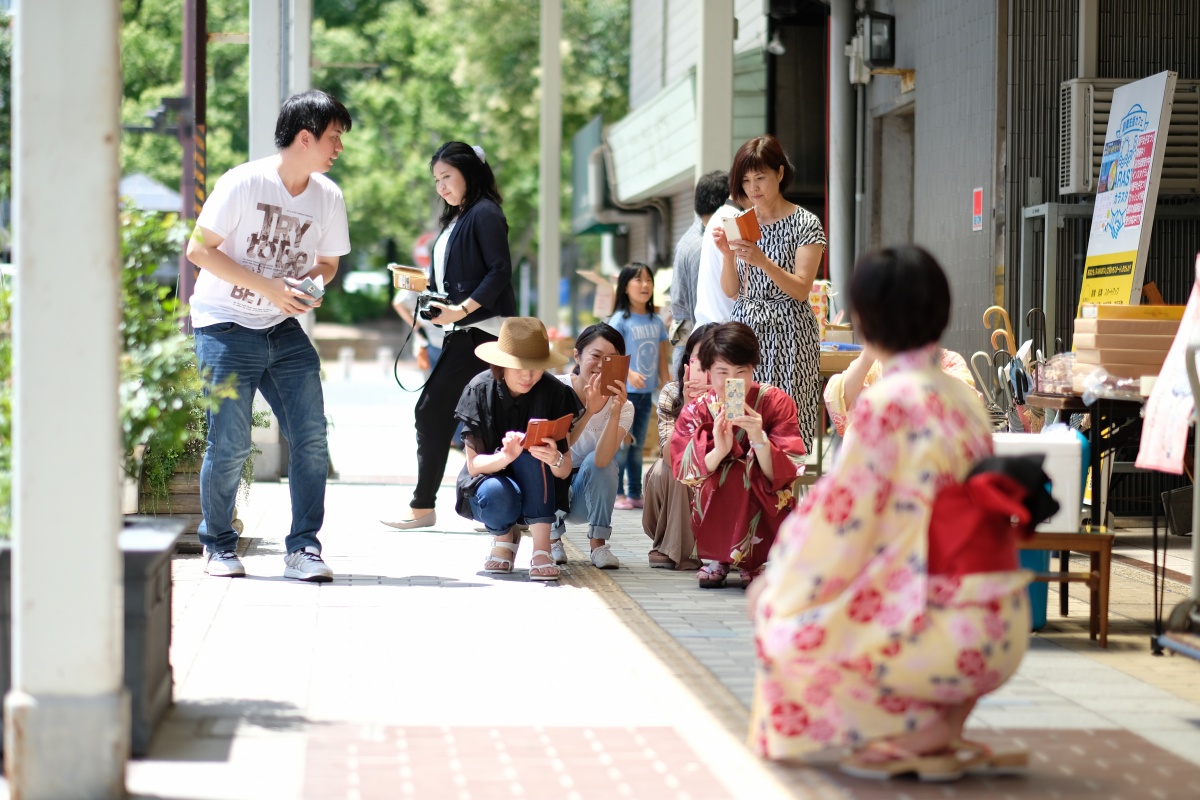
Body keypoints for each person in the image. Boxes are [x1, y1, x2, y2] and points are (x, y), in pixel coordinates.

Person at [747, 246, 1034, 780]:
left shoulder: (889, 400)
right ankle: (937, 730)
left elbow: (837, 515)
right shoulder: (962, 395)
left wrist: (778, 578)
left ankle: (924, 733)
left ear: (864, 320)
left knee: (783, 619)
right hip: (1003, 618)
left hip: (948, 632)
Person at [185, 89, 352, 582]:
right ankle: (217, 544)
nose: (338, 148)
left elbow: (328, 262)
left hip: (282, 326)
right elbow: (199, 250)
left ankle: (303, 549)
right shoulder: (243, 182)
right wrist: (270, 288)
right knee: (232, 443)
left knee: (312, 439)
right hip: (224, 323)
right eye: (333, 137)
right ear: (305, 137)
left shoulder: (328, 196)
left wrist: (309, 290)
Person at [382, 142, 517, 530]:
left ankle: (427, 506)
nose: (441, 186)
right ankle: (490, 507)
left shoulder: (486, 213)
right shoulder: (457, 218)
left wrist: (459, 310)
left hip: (481, 333)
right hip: (462, 332)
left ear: (469, 173)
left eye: (447, 177)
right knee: (479, 417)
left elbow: (499, 271)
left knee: (436, 412)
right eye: (436, 179)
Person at [670, 322, 806, 589]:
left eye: (741, 372)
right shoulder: (696, 410)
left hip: (764, 497)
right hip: (714, 494)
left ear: (753, 369)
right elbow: (687, 471)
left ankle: (754, 561)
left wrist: (759, 438)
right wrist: (720, 450)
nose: (731, 380)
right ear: (708, 372)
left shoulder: (775, 401)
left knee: (746, 473)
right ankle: (719, 557)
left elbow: (786, 470)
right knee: (728, 473)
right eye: (722, 371)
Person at [712, 135, 825, 453]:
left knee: (789, 419)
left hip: (790, 329)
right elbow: (733, 291)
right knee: (735, 414)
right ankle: (735, 487)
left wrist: (762, 260)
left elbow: (801, 289)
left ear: (779, 173)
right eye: (746, 181)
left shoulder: (806, 223)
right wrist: (727, 256)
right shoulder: (740, 221)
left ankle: (786, 494)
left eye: (760, 177)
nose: (753, 188)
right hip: (744, 328)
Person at [453, 317, 583, 581]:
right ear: (502, 364)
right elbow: (474, 465)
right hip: (490, 486)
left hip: (542, 489)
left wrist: (555, 459)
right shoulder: (479, 390)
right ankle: (504, 541)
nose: (528, 376)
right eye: (519, 367)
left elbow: (565, 468)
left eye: (535, 368)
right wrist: (505, 457)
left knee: (533, 455)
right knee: (496, 492)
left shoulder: (555, 393)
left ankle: (542, 548)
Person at [549, 323, 633, 569]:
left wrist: (614, 411)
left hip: (585, 496)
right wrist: (588, 411)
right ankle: (551, 538)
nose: (601, 365)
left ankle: (598, 545)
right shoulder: (555, 389)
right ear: (577, 355)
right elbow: (555, 445)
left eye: (611, 360)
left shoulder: (625, 406)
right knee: (549, 455)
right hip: (550, 492)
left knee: (602, 462)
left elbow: (602, 460)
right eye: (595, 356)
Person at [642, 323, 716, 571]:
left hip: (718, 482)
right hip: (676, 483)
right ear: (687, 364)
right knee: (670, 466)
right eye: (699, 362)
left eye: (714, 362)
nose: (706, 370)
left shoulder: (734, 393)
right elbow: (668, 453)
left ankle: (680, 546)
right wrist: (688, 406)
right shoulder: (672, 392)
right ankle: (676, 546)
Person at [607, 263, 670, 511]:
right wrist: (629, 373)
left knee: (637, 444)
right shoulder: (619, 321)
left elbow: (662, 356)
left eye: (648, 280)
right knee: (622, 443)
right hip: (625, 395)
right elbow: (611, 356)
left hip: (646, 395)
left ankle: (635, 493)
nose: (645, 285)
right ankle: (617, 492)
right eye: (638, 280)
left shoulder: (656, 320)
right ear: (625, 287)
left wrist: (666, 383)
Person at [824, 345, 978, 439]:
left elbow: (969, 404)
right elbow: (841, 401)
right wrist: (870, 351)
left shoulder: (949, 361)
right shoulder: (875, 365)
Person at [670, 171, 729, 370]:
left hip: (691, 343)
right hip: (702, 346)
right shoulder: (706, 242)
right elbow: (702, 304)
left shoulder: (691, 238)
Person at [693, 196, 742, 327]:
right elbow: (735, 293)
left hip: (710, 328)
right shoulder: (734, 220)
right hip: (723, 333)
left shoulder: (718, 216)